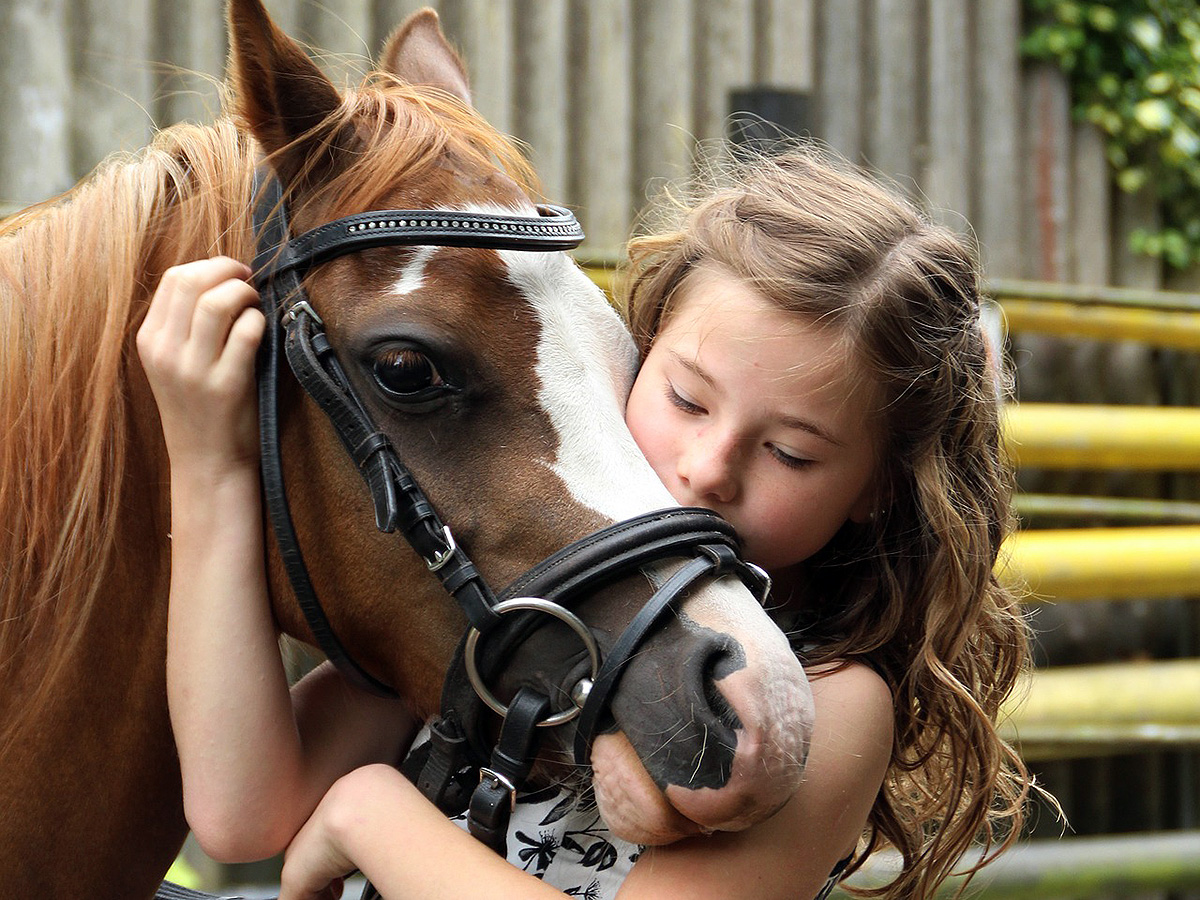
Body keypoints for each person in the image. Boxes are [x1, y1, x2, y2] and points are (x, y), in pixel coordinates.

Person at [138, 144, 1035, 900]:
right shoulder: (513, 607)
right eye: (686, 398)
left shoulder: (835, 699)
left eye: (790, 453)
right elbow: (241, 807)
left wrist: (365, 813)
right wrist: (209, 466)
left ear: (878, 485)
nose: (707, 467)